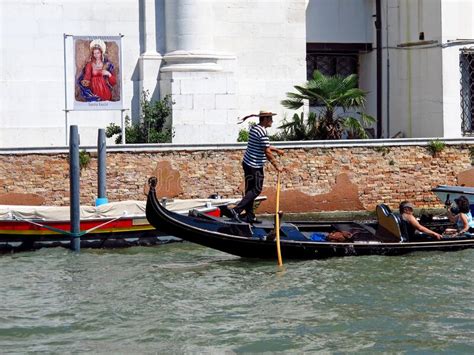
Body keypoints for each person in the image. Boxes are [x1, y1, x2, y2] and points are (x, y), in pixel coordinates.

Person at [229, 111, 284, 223]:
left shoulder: (255, 128)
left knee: (249, 190)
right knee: (256, 190)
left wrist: (277, 150)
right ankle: (237, 210)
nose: (272, 121)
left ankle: (250, 216)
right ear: (264, 119)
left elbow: (263, 145)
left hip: (247, 163)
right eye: (270, 119)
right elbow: (267, 151)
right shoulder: (263, 132)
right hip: (255, 166)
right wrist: (277, 166)